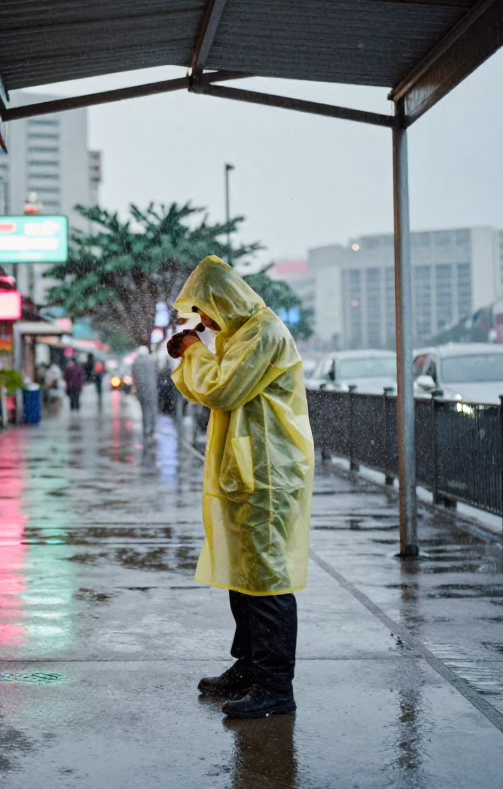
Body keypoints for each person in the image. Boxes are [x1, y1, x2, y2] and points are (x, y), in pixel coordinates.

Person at [166, 255, 313, 720]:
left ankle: (274, 686)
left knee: (266, 580)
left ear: (223, 299)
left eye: (205, 309)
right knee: (243, 576)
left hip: (268, 474)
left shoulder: (264, 333)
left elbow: (221, 390)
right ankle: (248, 668)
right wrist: (197, 350)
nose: (203, 321)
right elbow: (209, 387)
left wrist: (193, 349)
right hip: (247, 472)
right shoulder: (239, 334)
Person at [131, 346, 158, 436]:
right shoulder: (151, 360)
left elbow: (134, 375)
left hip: (140, 389)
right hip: (151, 388)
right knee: (152, 408)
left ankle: (145, 427)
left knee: (144, 409)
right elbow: (156, 372)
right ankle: (152, 427)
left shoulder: (135, 361)